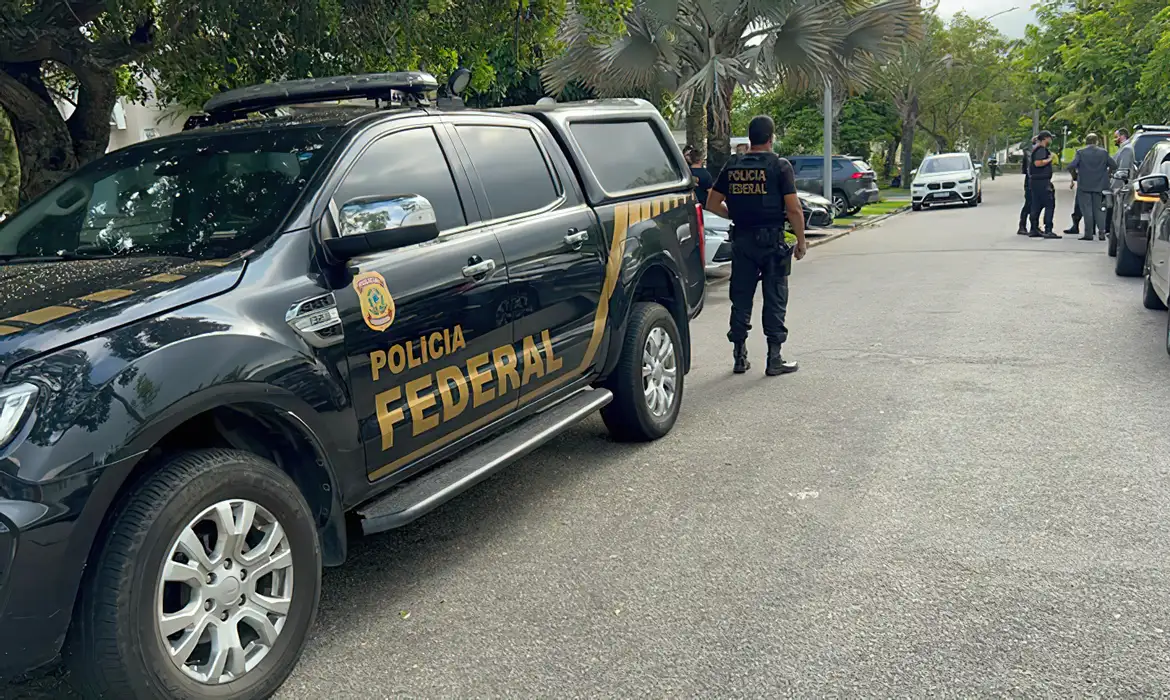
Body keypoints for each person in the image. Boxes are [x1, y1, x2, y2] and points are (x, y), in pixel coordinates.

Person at [705, 115, 806, 376]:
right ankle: (774, 358)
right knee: (775, 299)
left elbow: (712, 203)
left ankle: (739, 356)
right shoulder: (780, 166)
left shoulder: (733, 165)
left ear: (750, 138)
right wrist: (801, 242)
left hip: (742, 240)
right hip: (772, 242)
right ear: (771, 138)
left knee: (741, 298)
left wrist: (735, 214)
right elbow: (794, 209)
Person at [1067, 133, 1116, 241]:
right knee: (1099, 210)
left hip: (1084, 185)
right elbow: (1114, 165)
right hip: (1100, 185)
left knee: (1087, 210)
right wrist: (1108, 175)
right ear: (1097, 141)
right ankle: (1102, 232)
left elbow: (1071, 166)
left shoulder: (1081, 152)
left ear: (1086, 141)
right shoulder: (1103, 153)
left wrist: (1075, 176)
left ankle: (1088, 233)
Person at [1028, 131, 1059, 238]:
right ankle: (1048, 229)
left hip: (1036, 181)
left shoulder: (1036, 149)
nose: (1051, 140)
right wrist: (1050, 159)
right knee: (1049, 204)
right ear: (1045, 138)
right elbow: (1037, 163)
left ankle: (1034, 228)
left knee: (1036, 205)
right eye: (1050, 138)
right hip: (1042, 181)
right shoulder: (1041, 150)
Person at [1018, 136, 1038, 236]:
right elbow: (1029, 168)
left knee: (1036, 204)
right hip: (1031, 181)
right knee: (1029, 203)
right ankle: (1022, 226)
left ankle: (1034, 226)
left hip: (1034, 180)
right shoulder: (1030, 152)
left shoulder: (1035, 152)